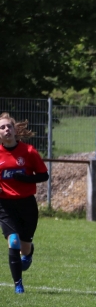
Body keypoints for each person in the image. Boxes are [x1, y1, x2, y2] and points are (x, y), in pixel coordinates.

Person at [0, 113, 49, 294]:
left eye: (9, 126)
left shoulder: (28, 151)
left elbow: (44, 175)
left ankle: (28, 253)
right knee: (13, 241)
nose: (6, 129)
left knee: (24, 246)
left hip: (27, 204)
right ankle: (18, 285)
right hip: (5, 205)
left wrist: (26, 179)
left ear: (15, 130)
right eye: (2, 127)